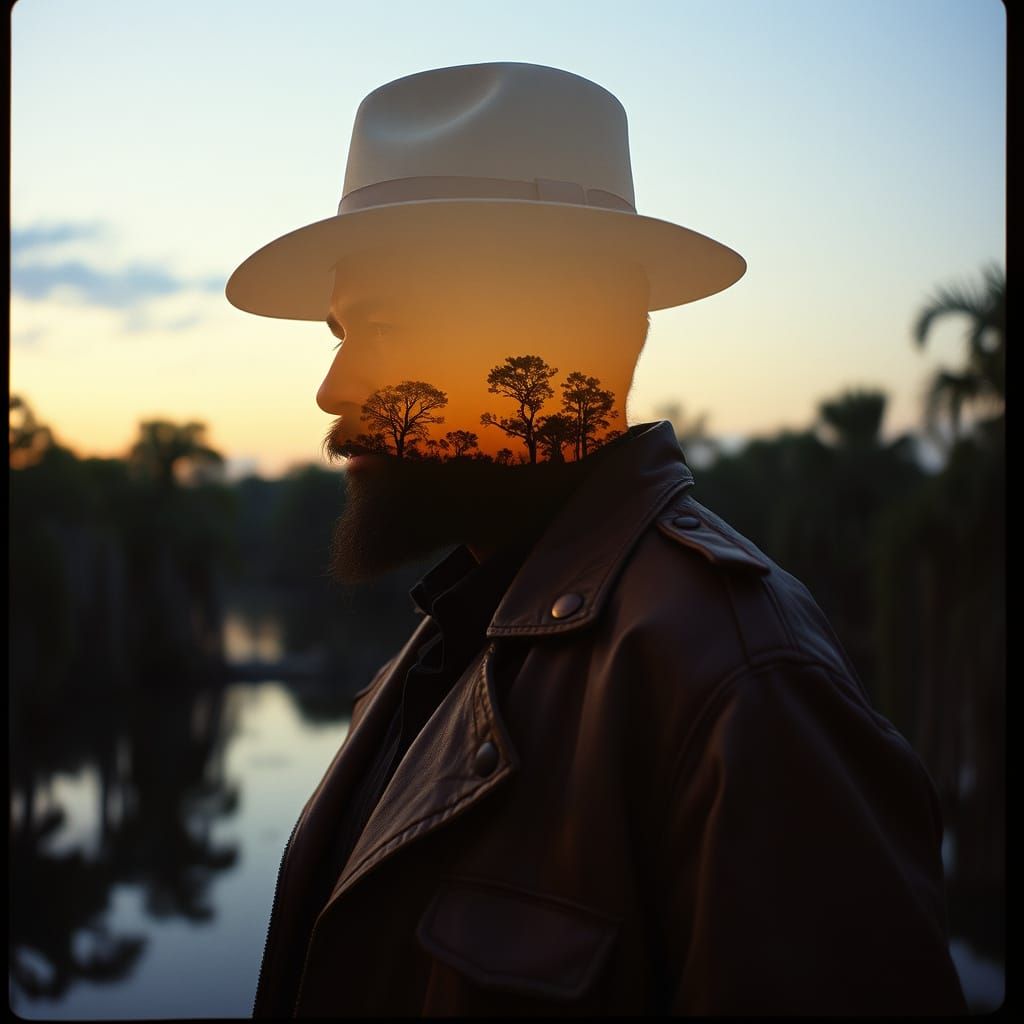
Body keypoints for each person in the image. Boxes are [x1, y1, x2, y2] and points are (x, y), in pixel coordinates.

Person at [227, 62, 967, 1016]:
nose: (332, 389)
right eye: (338, 332)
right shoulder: (456, 633)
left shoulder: (737, 679)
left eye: (376, 326)